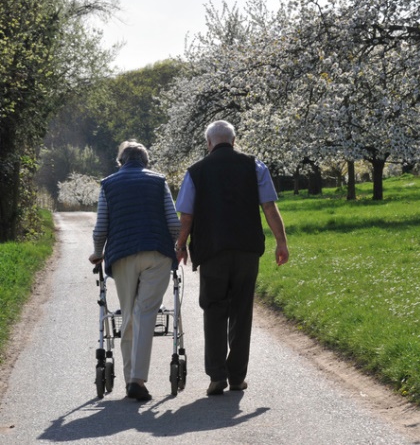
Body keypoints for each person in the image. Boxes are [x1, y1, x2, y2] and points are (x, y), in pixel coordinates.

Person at [175, 120, 289, 396]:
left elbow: (186, 216)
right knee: (241, 310)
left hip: (212, 251)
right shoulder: (255, 166)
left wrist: (180, 244)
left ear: (209, 143)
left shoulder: (195, 172)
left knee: (214, 310)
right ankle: (237, 377)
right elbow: (269, 208)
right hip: (247, 249)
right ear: (234, 141)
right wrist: (281, 242)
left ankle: (217, 376)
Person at [89, 141, 180, 402]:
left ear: (120, 161)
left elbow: (101, 229)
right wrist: (175, 245)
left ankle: (132, 378)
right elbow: (173, 222)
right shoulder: (158, 181)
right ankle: (136, 381)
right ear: (146, 161)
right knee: (146, 312)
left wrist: (98, 252)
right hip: (157, 253)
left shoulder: (108, 184)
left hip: (122, 255)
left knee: (128, 313)